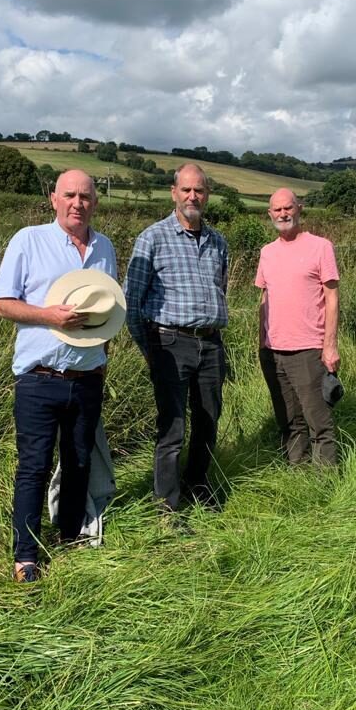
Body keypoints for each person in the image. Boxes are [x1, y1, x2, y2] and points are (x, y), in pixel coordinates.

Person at [0, 170, 119, 582]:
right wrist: (49, 316)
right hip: (38, 378)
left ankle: (68, 537)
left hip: (87, 378)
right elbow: (0, 303)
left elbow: (110, 312)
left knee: (79, 461)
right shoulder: (29, 240)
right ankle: (26, 556)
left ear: (95, 202)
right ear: (53, 199)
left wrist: (102, 359)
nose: (77, 203)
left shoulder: (105, 248)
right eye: (70, 195)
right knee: (34, 465)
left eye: (85, 196)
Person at [124, 163, 229, 512]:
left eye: (199, 190)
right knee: (172, 427)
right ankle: (166, 505)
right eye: (186, 189)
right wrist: (150, 350)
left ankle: (197, 486)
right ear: (174, 193)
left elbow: (221, 290)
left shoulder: (218, 242)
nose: (192, 196)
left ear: (207, 194)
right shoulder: (152, 238)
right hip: (169, 342)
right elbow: (132, 303)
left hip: (211, 343)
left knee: (208, 420)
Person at [255, 188, 340, 467]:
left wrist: (329, 346)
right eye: (277, 210)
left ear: (299, 209)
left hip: (308, 349)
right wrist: (261, 344)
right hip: (273, 349)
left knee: (318, 421)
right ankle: (297, 473)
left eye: (288, 208)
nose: (283, 214)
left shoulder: (320, 246)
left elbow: (332, 297)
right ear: (270, 214)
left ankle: (325, 481)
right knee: (289, 420)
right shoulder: (267, 252)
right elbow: (264, 298)